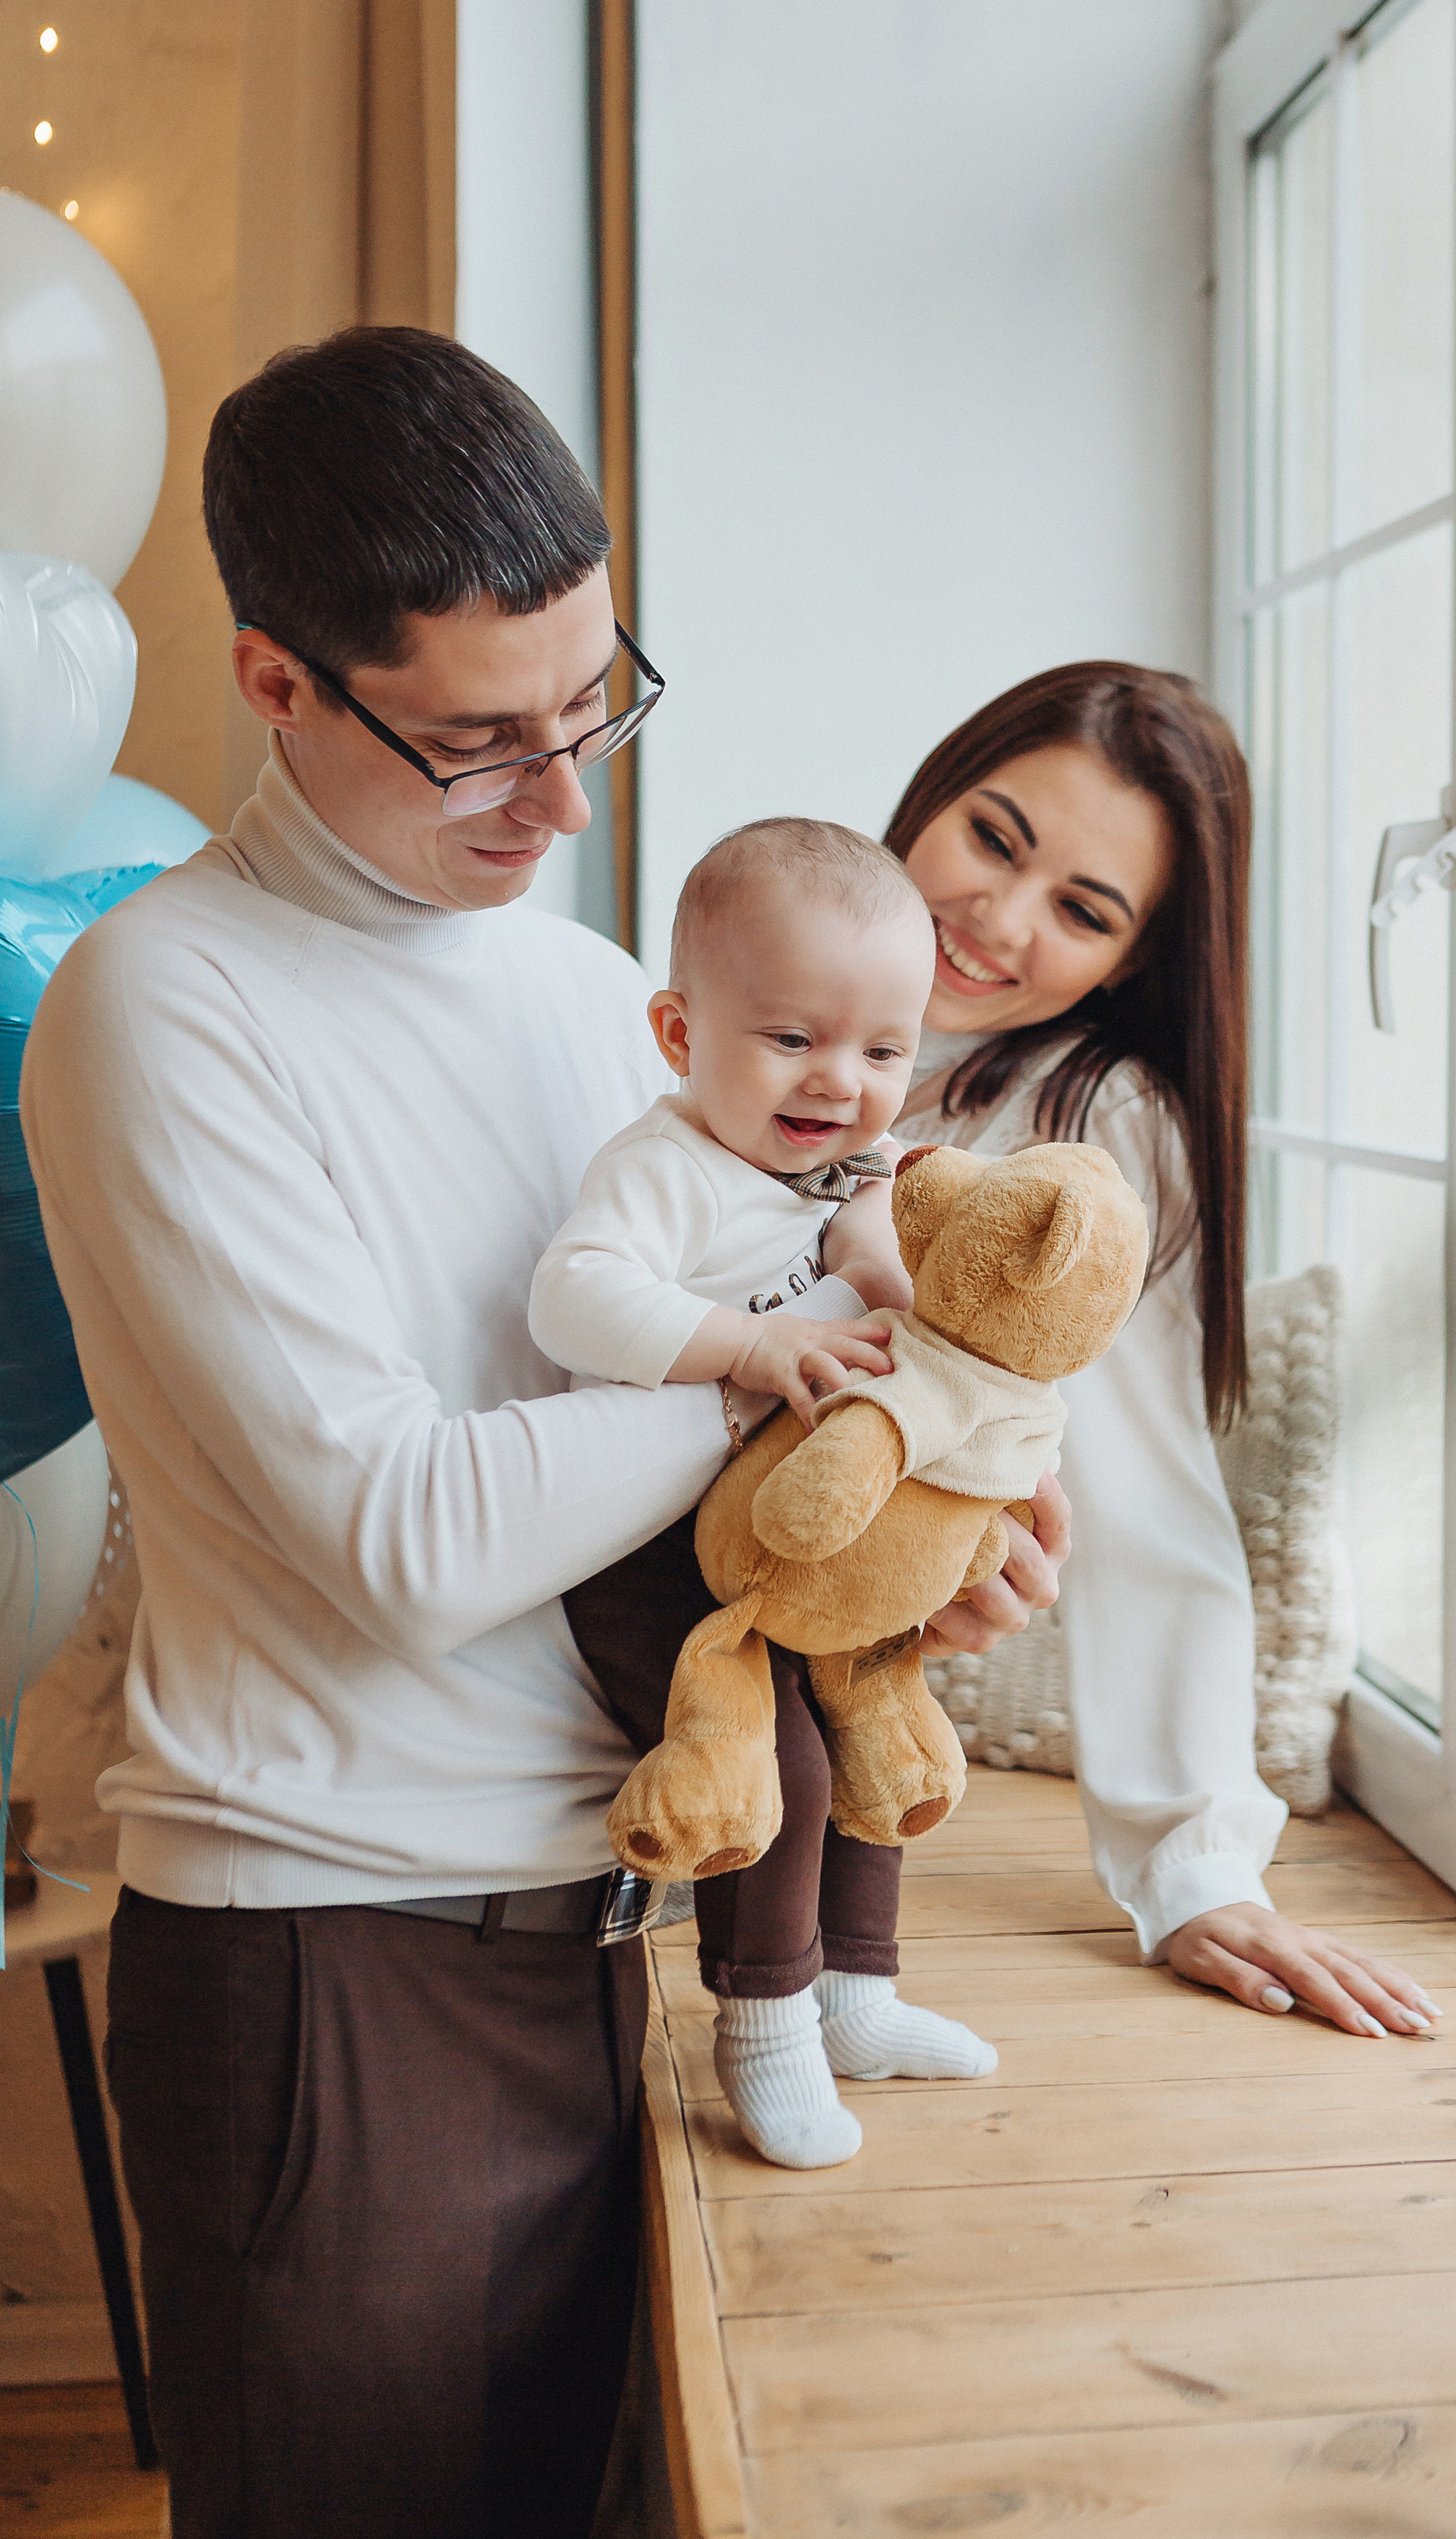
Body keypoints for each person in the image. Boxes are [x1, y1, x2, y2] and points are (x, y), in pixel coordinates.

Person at [17, 326, 1065, 2539]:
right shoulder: (159, 1008)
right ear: (278, 682)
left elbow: (685, 1454)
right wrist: (809, 1377)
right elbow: (411, 1539)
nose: (565, 800)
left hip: (621, 1923)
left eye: (596, 703)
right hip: (332, 1965)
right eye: (483, 740)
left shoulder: (607, 998)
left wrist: (899, 1524)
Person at [883, 663, 1442, 2041]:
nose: (999, 920)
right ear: (932, 795)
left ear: (1133, 961)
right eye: (993, 838)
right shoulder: (769, 997)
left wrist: (1195, 1866)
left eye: (1083, 910)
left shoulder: (1091, 1128)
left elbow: (1144, 1502)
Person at [539, 817, 1001, 2172]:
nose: (839, 1082)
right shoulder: (666, 1168)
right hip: (645, 1548)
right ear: (680, 1034)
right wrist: (750, 1346)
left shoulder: (847, 1177)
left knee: (866, 1730)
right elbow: (573, 1298)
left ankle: (857, 1992)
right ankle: (765, 2024)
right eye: (792, 1038)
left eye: (884, 1052)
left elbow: (891, 1288)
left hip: (790, 1532)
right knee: (778, 1763)